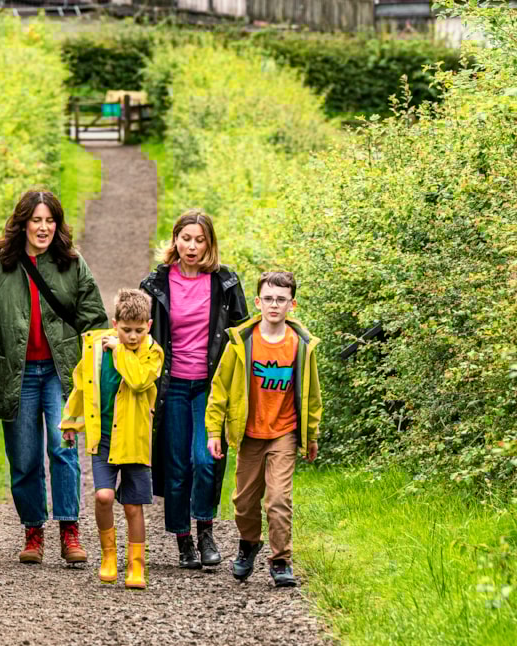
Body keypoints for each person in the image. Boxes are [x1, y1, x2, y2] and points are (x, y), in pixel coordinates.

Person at [0, 187, 107, 566]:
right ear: (22, 223)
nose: (43, 228)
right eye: (36, 220)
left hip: (60, 372)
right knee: (24, 456)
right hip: (17, 373)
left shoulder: (72, 263)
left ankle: (69, 530)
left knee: (63, 447)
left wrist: (102, 370)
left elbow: (94, 319)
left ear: (57, 225)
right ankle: (33, 531)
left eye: (49, 220)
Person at [141, 210, 248, 571]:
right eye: (185, 238)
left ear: (209, 244)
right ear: (174, 240)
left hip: (209, 386)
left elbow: (243, 337)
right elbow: (137, 332)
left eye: (199, 240)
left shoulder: (226, 283)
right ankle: (182, 539)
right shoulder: (155, 283)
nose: (192, 246)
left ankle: (205, 530)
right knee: (176, 465)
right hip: (170, 385)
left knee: (205, 459)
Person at [205, 268, 322, 588]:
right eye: (268, 298)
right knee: (244, 501)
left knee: (279, 499)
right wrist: (214, 432)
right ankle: (248, 543)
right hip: (249, 433)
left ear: (292, 305)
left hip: (284, 432)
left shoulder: (301, 345)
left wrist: (310, 435)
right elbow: (220, 389)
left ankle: (281, 560)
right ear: (258, 302)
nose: (274, 305)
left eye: (281, 300)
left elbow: (312, 393)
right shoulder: (241, 343)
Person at [60, 287, 163, 589]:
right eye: (127, 330)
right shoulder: (95, 349)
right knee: (103, 496)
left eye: (139, 331)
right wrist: (71, 422)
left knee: (133, 506)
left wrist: (119, 350)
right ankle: (108, 555)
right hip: (103, 437)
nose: (133, 336)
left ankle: (136, 564)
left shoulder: (151, 352)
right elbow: (82, 386)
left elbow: (139, 380)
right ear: (115, 324)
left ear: (149, 326)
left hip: (133, 439)